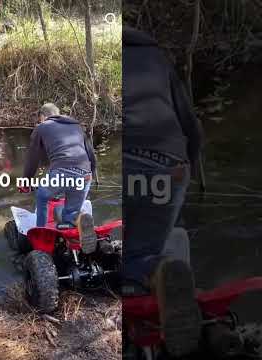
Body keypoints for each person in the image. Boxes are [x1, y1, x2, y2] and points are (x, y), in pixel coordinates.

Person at [122, 26, 204, 357]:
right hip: (172, 164)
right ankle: (160, 270)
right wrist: (190, 168)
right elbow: (191, 124)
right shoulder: (157, 57)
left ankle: (141, 275)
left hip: (126, 159)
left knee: (120, 252)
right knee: (147, 247)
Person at [19, 103, 99, 254]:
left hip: (62, 172)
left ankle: (41, 234)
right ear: (58, 113)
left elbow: (33, 158)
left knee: (42, 196)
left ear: (43, 116)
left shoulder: (42, 127)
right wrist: (93, 175)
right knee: (70, 214)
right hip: (85, 173)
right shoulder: (77, 126)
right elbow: (91, 153)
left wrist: (26, 181)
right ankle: (78, 220)